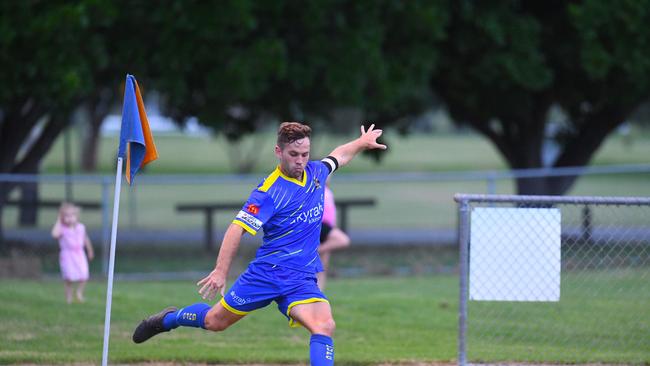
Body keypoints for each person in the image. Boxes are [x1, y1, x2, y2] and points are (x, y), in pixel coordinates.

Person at [132, 122, 386, 366]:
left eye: (305, 154)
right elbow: (236, 229)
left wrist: (362, 142)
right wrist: (221, 271)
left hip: (301, 278)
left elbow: (338, 156)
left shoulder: (317, 173)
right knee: (215, 321)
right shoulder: (268, 193)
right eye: (293, 154)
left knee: (324, 325)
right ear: (279, 151)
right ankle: (169, 319)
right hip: (267, 274)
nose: (300, 161)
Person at [51, 202, 94, 304]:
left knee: (84, 274)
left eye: (72, 215)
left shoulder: (80, 227)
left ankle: (79, 292)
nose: (69, 218)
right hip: (68, 255)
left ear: (76, 216)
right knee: (69, 278)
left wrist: (90, 250)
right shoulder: (62, 229)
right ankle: (68, 298)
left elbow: (85, 239)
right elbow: (54, 235)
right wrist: (59, 221)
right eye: (66, 216)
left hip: (79, 254)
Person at [317, 178, 351, 290]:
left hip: (327, 226)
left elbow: (331, 211)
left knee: (322, 265)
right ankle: (314, 251)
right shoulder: (316, 190)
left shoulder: (327, 191)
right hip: (320, 225)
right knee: (343, 240)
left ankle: (319, 292)